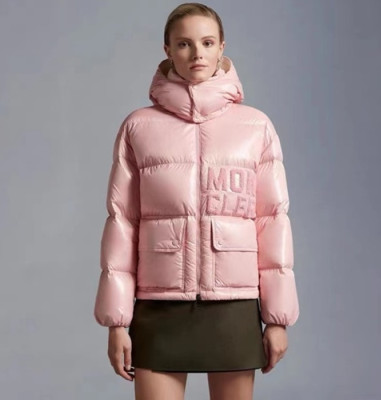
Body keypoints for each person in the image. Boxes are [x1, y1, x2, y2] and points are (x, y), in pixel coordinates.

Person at [93, 2, 300, 399]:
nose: (197, 54)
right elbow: (122, 223)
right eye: (184, 44)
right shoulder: (138, 127)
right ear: (167, 50)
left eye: (207, 42)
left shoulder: (256, 126)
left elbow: (272, 222)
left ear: (222, 47)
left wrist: (277, 319)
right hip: (158, 305)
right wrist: (117, 323)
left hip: (234, 305)